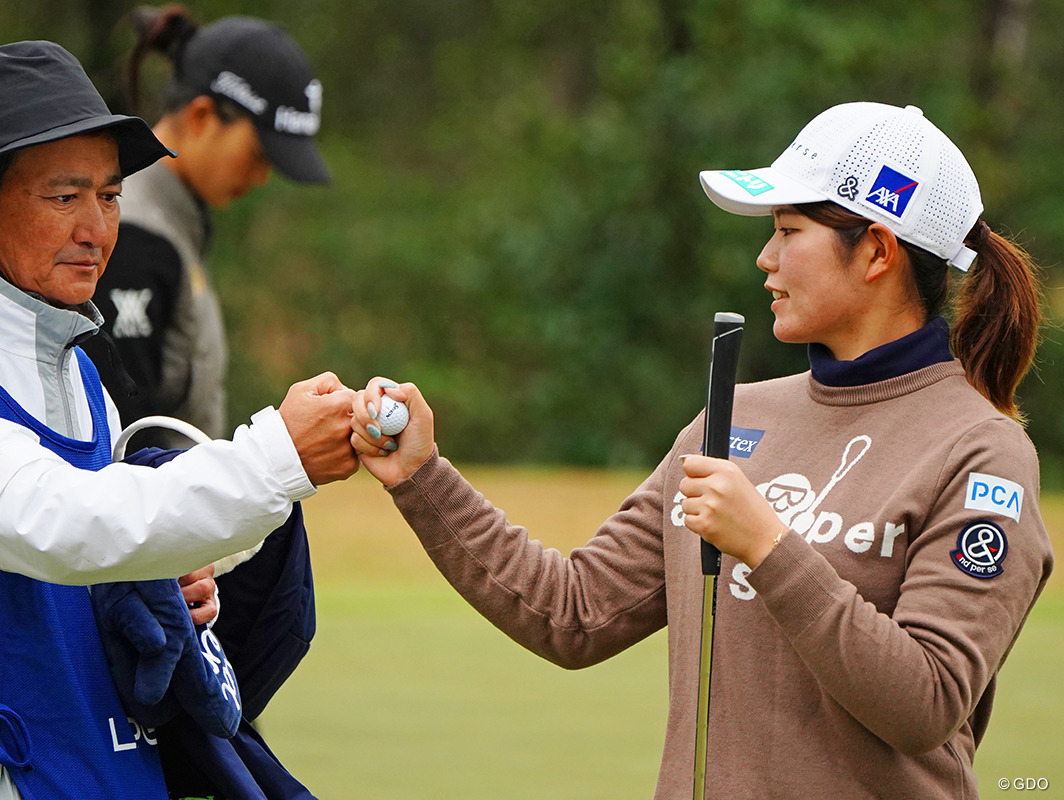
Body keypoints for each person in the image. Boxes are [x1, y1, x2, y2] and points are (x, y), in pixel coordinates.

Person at [347, 103, 1055, 799]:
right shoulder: (735, 416)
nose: (765, 258)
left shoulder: (982, 452)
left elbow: (926, 704)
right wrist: (422, 477)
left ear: (876, 250)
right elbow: (574, 613)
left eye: (789, 230)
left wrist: (768, 546)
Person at [0, 40, 356, 800]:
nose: (97, 229)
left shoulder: (77, 367)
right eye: (65, 198)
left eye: (110, 195)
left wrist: (170, 578)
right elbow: (58, 522)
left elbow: (104, 549)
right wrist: (277, 458)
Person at [81, 5, 331, 450]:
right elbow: (122, 447)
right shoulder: (134, 236)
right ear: (200, 118)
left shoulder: (172, 225)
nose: (261, 178)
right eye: (259, 155)